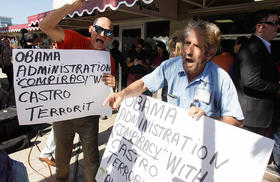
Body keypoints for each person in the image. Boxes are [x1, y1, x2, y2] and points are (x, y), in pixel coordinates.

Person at [104, 19, 244, 127]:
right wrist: (122, 94)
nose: (188, 51)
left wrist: (208, 120)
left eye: (196, 46)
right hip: (172, 146)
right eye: (187, 43)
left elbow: (237, 121)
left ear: (209, 54)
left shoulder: (221, 79)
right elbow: (143, 84)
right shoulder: (170, 66)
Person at [39, 0, 116, 181]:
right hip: (63, 115)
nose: (102, 34)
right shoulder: (73, 39)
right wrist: (75, 4)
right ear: (91, 29)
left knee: (92, 160)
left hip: (89, 117)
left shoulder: (108, 59)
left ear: (111, 37)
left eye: (108, 32)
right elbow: (45, 25)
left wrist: (112, 85)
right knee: (62, 161)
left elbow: (106, 94)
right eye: (99, 29)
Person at [232, 9, 280, 136]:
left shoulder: (260, 46)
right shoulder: (253, 47)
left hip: (258, 117)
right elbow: (250, 81)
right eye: (274, 23)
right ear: (259, 27)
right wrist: (276, 88)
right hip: (252, 118)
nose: (278, 26)